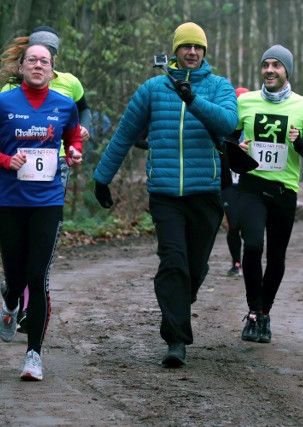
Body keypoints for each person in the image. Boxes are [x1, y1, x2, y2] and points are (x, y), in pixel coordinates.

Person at [92, 22, 238, 367]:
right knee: (173, 262)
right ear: (175, 51)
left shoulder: (219, 86)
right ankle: (176, 340)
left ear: (204, 52)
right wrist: (102, 178)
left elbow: (229, 123)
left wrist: (194, 99)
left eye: (197, 47)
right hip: (166, 194)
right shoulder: (154, 89)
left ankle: (176, 311)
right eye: (185, 46)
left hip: (206, 194)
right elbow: (125, 133)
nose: (191, 52)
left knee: (195, 268)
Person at [0, 43, 83, 381]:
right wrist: (6, 161)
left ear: (52, 70)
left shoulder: (64, 105)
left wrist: (74, 153)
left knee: (37, 277)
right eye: (32, 60)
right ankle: (9, 305)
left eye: (44, 61)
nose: (38, 65)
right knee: (16, 277)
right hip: (9, 200)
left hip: (48, 201)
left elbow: (74, 139)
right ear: (21, 67)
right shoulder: (2, 103)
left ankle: (33, 354)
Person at [0, 25, 92, 333]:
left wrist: (78, 138)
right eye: (35, 55)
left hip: (58, 164)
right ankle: (16, 288)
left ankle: (31, 300)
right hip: (17, 173)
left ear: (55, 58)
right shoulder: (9, 90)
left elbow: (83, 112)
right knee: (19, 248)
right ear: (25, 59)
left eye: (48, 56)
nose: (41, 62)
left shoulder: (70, 84)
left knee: (42, 244)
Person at [231, 45, 303, 344]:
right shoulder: (245, 101)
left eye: (276, 65)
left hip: (284, 190)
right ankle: (253, 312)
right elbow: (228, 138)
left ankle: (265, 313)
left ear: (287, 71)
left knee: (276, 256)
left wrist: (300, 143)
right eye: (266, 64)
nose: (269, 70)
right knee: (252, 245)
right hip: (252, 185)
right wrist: (236, 148)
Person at [222, 86, 250, 277]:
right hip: (230, 184)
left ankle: (249, 262)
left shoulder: (254, 123)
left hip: (249, 183)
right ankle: (236, 263)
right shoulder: (226, 124)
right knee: (233, 225)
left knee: (248, 225)